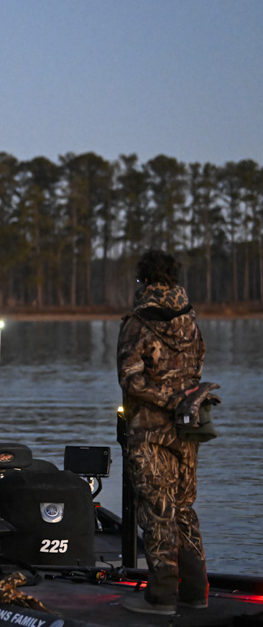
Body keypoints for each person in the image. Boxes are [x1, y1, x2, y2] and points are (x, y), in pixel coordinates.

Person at [117, 250, 216, 615]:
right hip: (189, 427)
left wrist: (168, 398)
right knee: (184, 507)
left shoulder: (137, 322)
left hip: (150, 431)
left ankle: (160, 598)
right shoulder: (191, 321)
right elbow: (197, 367)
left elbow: (129, 378)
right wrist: (182, 397)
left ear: (143, 280)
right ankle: (195, 592)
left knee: (158, 509)